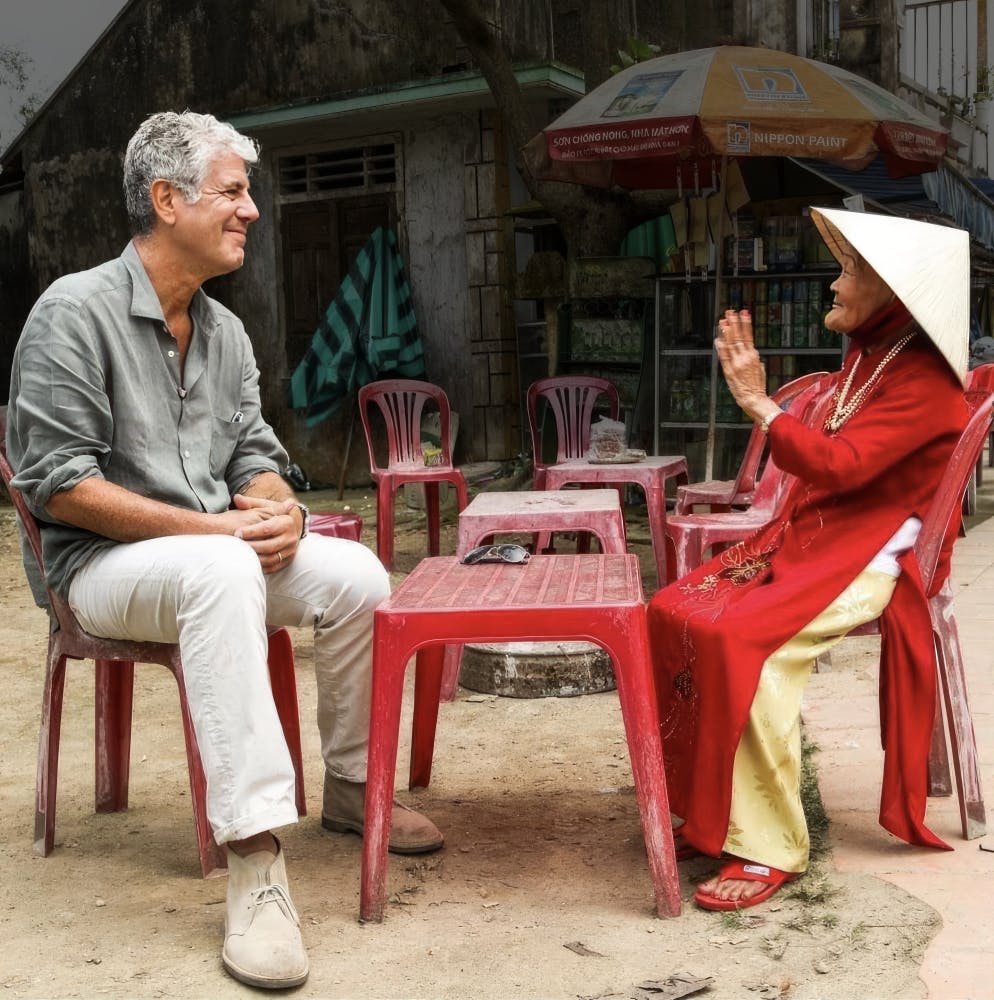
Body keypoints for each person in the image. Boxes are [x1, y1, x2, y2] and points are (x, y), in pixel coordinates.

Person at [5, 110, 444, 989]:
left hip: (215, 562)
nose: (253, 211)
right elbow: (57, 483)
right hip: (96, 572)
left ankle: (353, 788)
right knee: (219, 568)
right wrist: (215, 531)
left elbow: (254, 456)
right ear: (167, 201)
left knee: (357, 571)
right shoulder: (73, 311)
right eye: (235, 192)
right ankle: (255, 863)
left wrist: (282, 510)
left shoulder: (226, 332)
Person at [648, 207, 970, 912]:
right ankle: (709, 812)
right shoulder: (872, 351)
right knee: (673, 609)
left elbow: (839, 465)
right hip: (817, 539)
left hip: (870, 561)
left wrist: (761, 404)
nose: (832, 283)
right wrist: (764, 404)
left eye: (849, 271)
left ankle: (770, 845)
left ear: (892, 291)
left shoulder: (924, 381)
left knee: (746, 645)